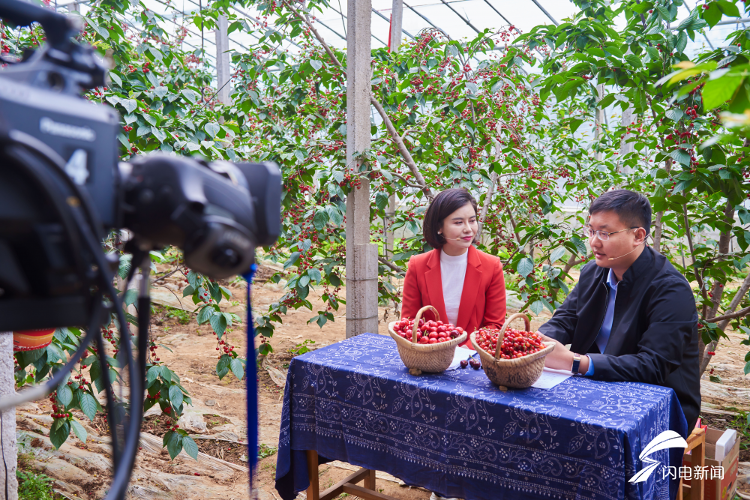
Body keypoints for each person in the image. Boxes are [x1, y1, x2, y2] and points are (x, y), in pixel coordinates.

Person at [538, 189, 701, 429]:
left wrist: (575, 362)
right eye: (591, 230)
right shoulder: (593, 272)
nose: (594, 241)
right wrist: (537, 344)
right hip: (597, 384)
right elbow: (565, 320)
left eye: (605, 233)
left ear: (638, 235)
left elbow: (653, 366)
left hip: (657, 404)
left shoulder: (670, 289)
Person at [401, 188, 507, 348]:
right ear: (439, 227)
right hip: (429, 357)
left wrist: (466, 350)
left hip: (472, 360)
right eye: (458, 222)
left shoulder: (491, 266)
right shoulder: (418, 266)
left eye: (472, 220)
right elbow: (409, 323)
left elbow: (495, 326)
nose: (468, 229)